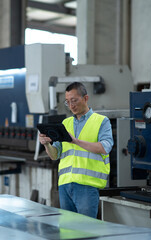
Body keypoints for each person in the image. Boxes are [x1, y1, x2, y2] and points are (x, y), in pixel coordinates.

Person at [39, 82, 113, 218]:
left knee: (86, 230)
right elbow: (55, 155)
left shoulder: (101, 121)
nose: (71, 105)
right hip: (65, 185)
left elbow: (104, 148)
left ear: (85, 98)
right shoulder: (65, 124)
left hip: (87, 185)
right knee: (67, 230)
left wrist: (76, 141)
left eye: (74, 100)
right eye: (67, 102)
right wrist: (46, 144)